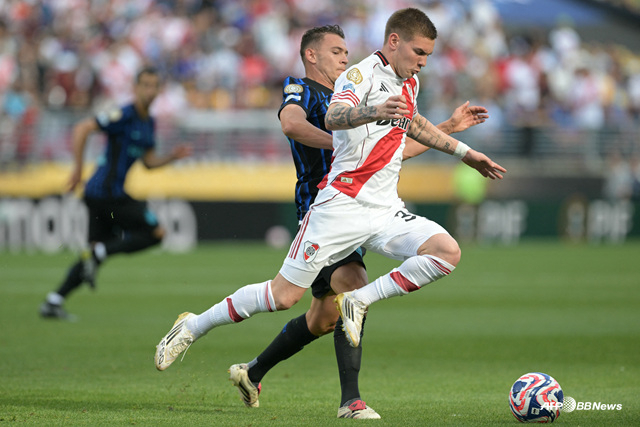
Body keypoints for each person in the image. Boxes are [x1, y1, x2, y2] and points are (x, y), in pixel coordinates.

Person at [154, 7, 505, 417]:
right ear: (312, 55)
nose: (344, 57)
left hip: (381, 207)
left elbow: (399, 144)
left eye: (345, 51)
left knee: (341, 306)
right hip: (331, 206)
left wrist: (456, 140)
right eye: (336, 51)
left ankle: (285, 377)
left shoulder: (405, 83)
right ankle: (194, 325)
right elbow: (316, 120)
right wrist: (352, 134)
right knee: (286, 297)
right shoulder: (322, 85)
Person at [39, 67, 191, 320]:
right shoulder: (123, 114)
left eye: (154, 86)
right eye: (145, 85)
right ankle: (100, 253)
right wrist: (77, 169)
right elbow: (82, 128)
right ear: (135, 88)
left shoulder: (148, 122)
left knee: (93, 255)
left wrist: (172, 157)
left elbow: (148, 162)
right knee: (156, 233)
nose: (150, 90)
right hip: (106, 193)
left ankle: (53, 301)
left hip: (105, 195)